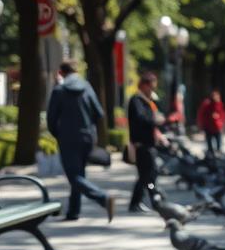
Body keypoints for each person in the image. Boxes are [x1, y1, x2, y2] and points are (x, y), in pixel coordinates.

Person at [47, 60, 115, 222]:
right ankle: (74, 211)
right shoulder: (87, 88)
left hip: (68, 139)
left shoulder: (59, 91)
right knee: (79, 174)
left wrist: (59, 134)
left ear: (62, 73)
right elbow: (99, 113)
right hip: (87, 137)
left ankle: (103, 198)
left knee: (74, 176)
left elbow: (51, 120)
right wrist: (90, 129)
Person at [127, 72, 167, 212]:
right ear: (144, 85)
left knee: (149, 174)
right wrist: (155, 120)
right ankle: (141, 200)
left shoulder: (147, 101)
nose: (153, 90)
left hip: (149, 143)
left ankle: (153, 198)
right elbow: (141, 119)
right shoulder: (137, 100)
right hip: (142, 144)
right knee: (147, 175)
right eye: (151, 87)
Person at [196, 89, 225, 155]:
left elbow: (223, 115)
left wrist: (222, 124)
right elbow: (201, 115)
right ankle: (211, 156)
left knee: (219, 146)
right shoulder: (206, 104)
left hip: (217, 127)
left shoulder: (219, 104)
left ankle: (218, 155)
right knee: (210, 147)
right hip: (209, 127)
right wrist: (201, 125)